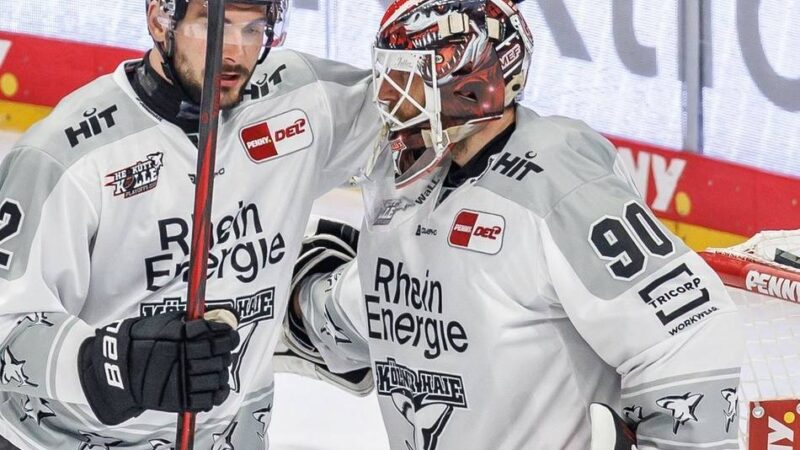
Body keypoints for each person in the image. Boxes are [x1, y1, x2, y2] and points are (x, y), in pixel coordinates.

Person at [287, 0, 745, 448]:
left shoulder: (560, 178)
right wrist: (298, 301)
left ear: (472, 83)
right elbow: (417, 305)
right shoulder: (400, 178)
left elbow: (687, 331)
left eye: (406, 77)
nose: (386, 95)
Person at [0, 0, 378, 448]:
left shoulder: (300, 101)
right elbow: (8, 330)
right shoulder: (64, 156)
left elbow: (419, 120)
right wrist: (115, 365)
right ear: (161, 19)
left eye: (255, 28)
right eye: (214, 26)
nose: (236, 51)